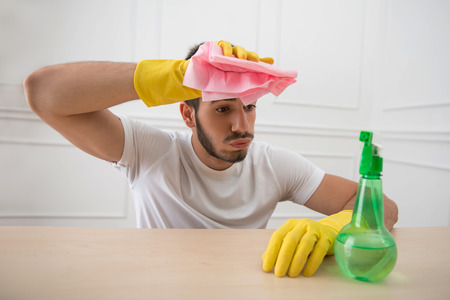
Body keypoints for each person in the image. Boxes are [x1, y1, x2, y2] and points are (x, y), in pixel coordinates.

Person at [24, 40, 398, 278]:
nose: (242, 125)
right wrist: (182, 75)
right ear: (188, 115)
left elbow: (384, 208)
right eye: (222, 109)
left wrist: (334, 230)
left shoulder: (273, 163)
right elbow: (44, 93)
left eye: (250, 107)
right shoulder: (150, 152)